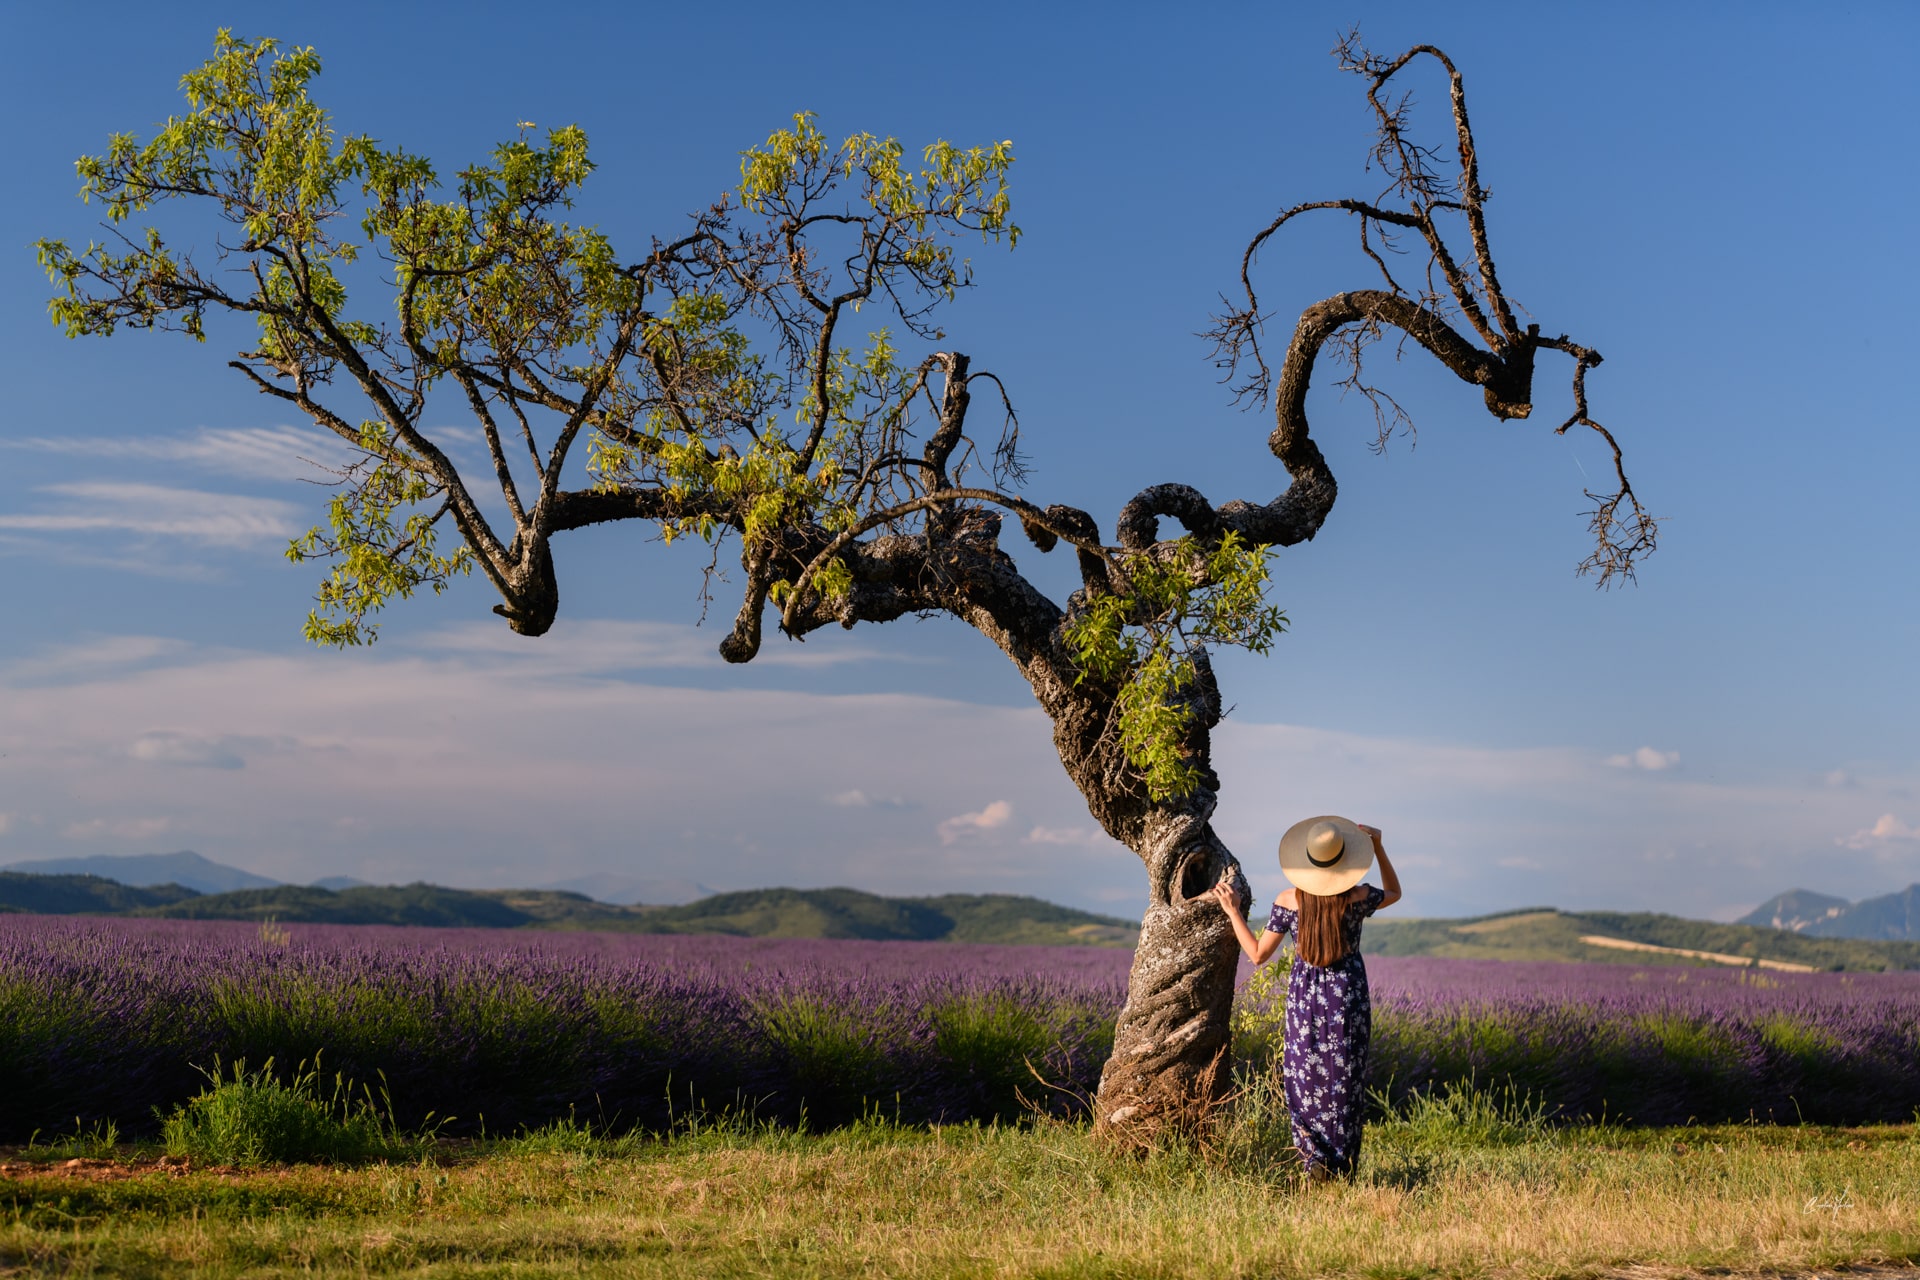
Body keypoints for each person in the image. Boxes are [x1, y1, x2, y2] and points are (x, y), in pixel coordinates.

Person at [1209, 815, 1401, 1181]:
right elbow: (1395, 893)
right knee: (1344, 1077)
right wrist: (1378, 847)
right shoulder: (1358, 896)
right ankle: (1342, 1166)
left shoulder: (1288, 900)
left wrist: (1233, 910)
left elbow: (1257, 954)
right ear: (1344, 862)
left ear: (1307, 862)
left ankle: (1313, 1159)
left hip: (1305, 1000)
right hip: (1348, 996)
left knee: (1303, 1077)